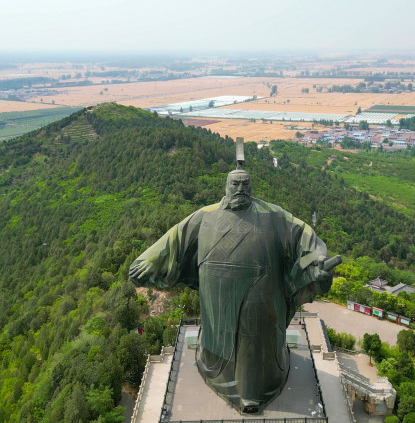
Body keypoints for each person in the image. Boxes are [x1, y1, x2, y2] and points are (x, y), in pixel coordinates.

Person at [129, 168, 337, 413]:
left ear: (252, 187)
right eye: (235, 184)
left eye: (245, 184)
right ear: (225, 187)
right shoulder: (204, 216)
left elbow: (305, 237)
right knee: (219, 341)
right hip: (216, 303)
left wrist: (317, 260)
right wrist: (149, 262)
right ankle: (219, 374)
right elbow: (174, 239)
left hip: (262, 303)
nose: (240, 189)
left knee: (255, 347)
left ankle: (254, 392)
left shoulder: (274, 216)